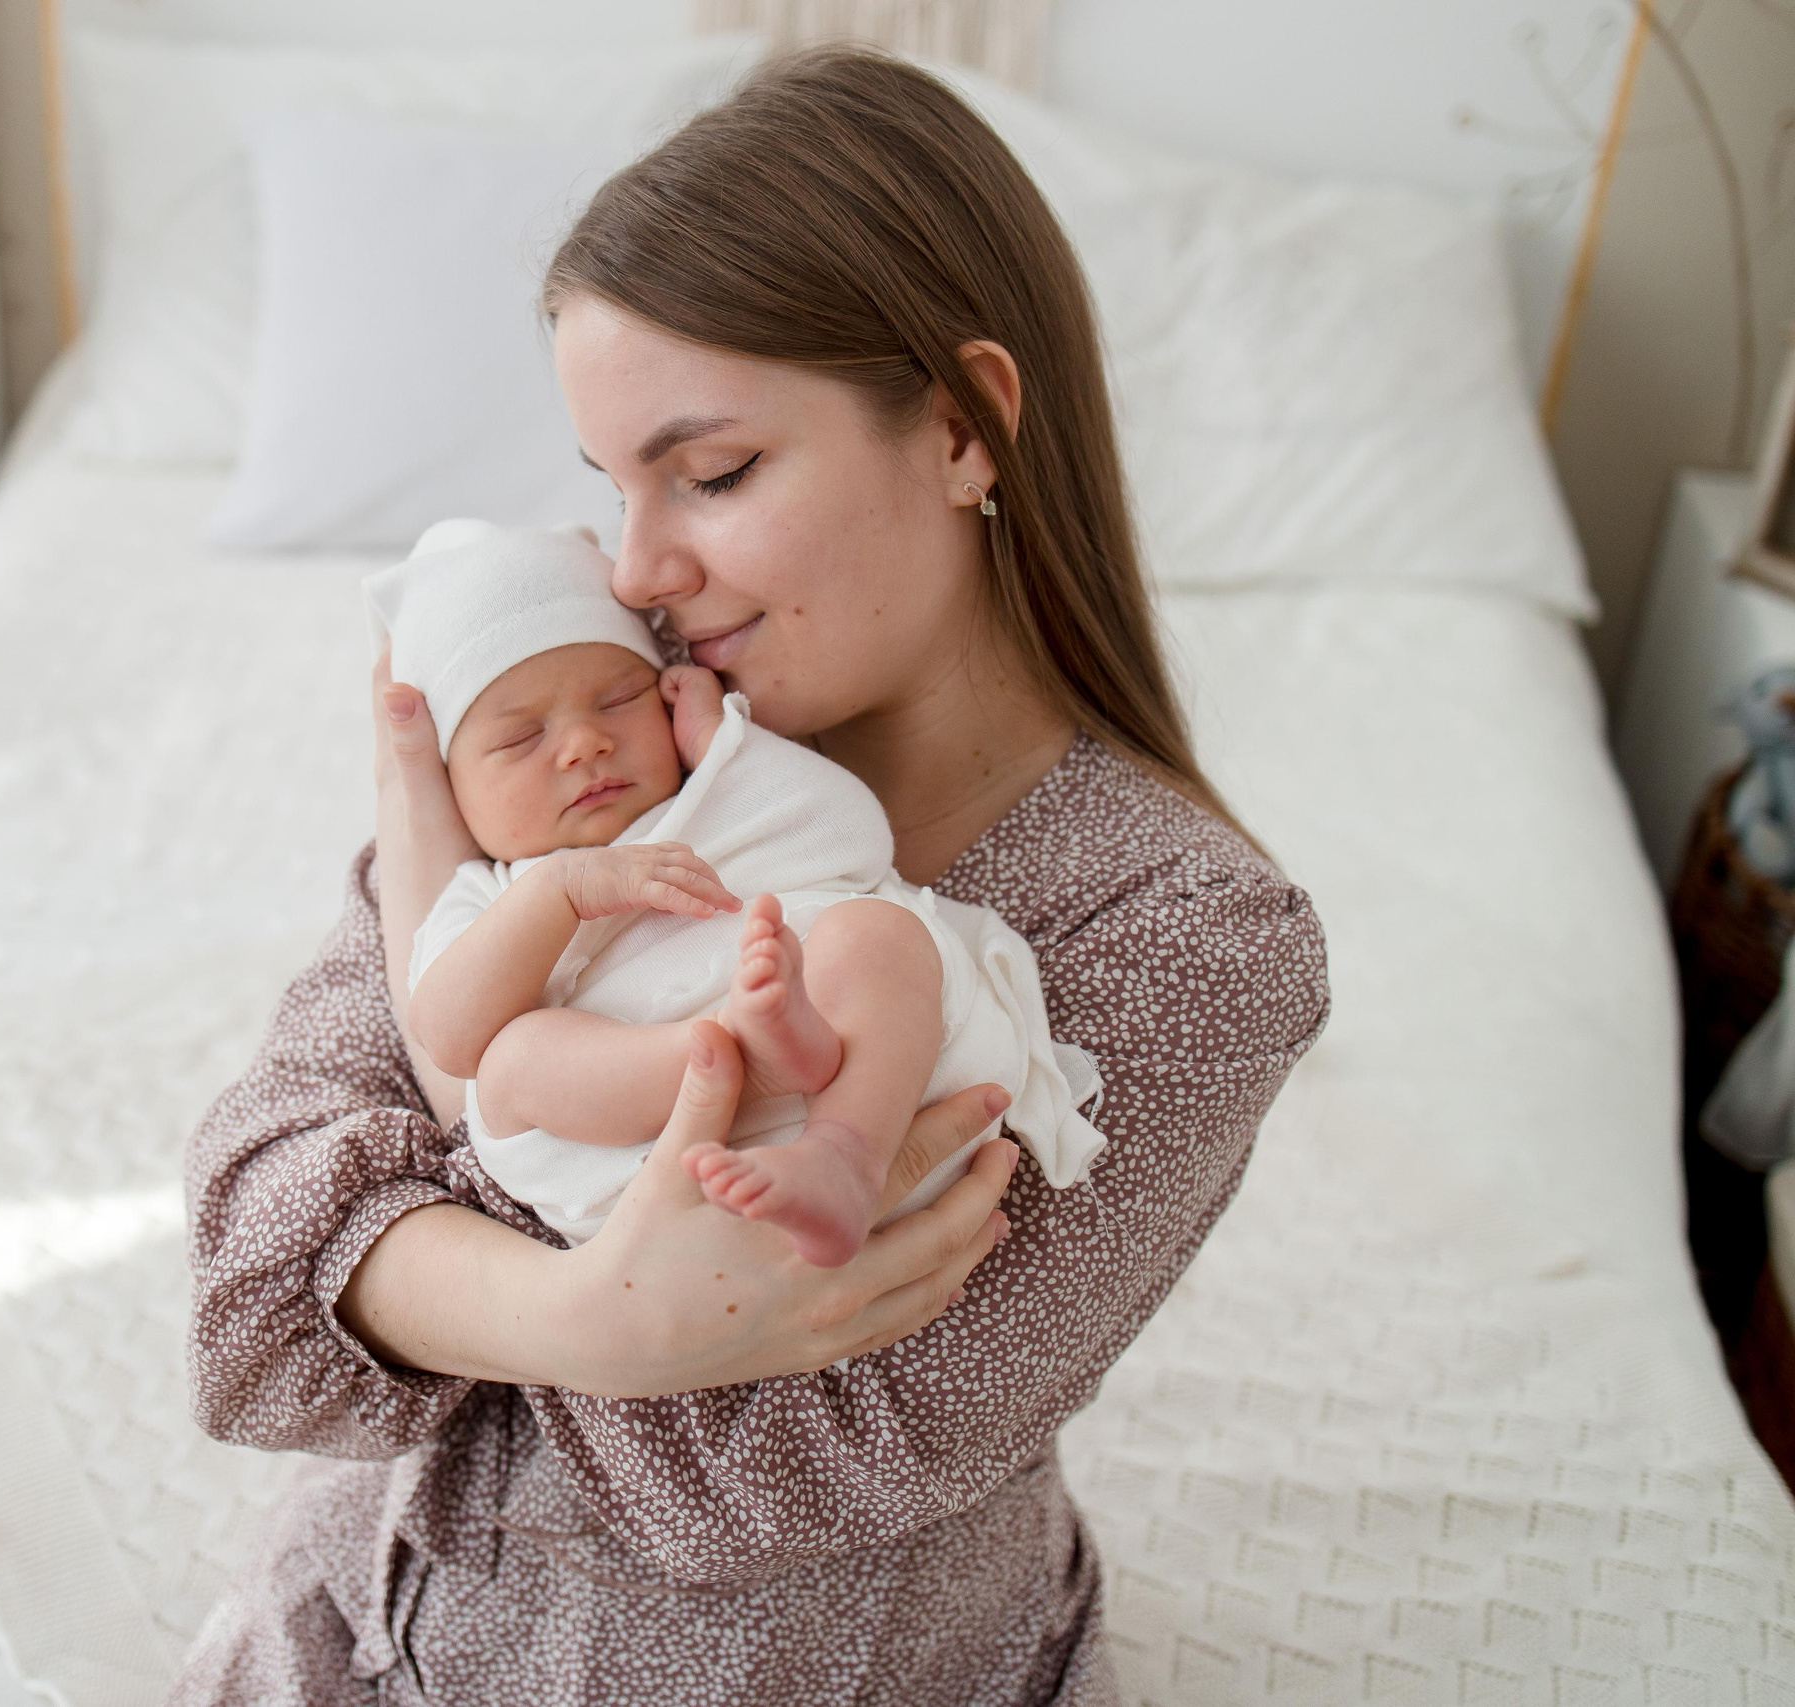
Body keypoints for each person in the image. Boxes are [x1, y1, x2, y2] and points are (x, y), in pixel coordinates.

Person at [176, 45, 1328, 1705]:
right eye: (613, 485)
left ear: (964, 426)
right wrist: (598, 1319)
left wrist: (452, 1100)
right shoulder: (574, 734)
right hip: (337, 1638)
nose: (637, 571)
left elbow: (772, 1463)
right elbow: (250, 1262)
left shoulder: (1187, 941)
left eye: (710, 474)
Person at [371, 516, 1103, 1265]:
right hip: (646, 1166)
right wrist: (562, 888)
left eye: (621, 699)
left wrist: (725, 750)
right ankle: (735, 1056)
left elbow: (852, 839)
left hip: (867, 1091)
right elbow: (450, 1032)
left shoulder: (715, 794)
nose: (583, 743)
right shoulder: (492, 890)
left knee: (881, 931)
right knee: (512, 1062)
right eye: (521, 738)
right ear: (454, 787)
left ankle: (843, 1158)